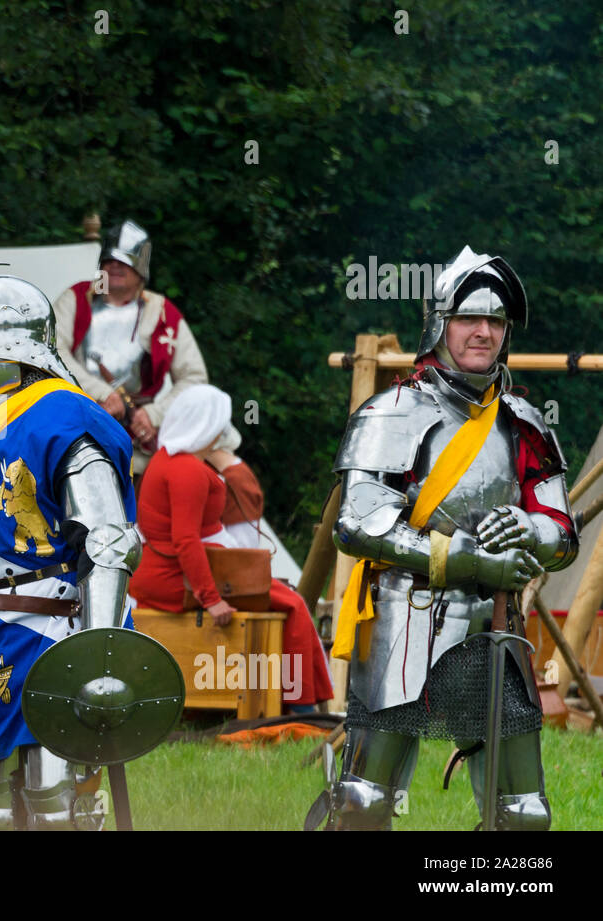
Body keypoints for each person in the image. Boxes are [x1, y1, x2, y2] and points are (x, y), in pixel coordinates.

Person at [308, 246, 577, 831]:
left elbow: (563, 533)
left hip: (497, 630)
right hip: (408, 616)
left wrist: (531, 529)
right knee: (363, 802)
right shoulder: (393, 410)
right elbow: (358, 521)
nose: (484, 331)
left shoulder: (525, 424)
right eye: (469, 318)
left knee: (525, 815)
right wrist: (453, 554)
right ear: (440, 323)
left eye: (496, 321)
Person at [0, 264, 171, 830]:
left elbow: (107, 541)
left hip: (53, 630)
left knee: (55, 801)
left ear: (8, 338)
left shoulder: (64, 418)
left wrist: (98, 652)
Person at [128, 384, 333, 710]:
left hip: (173, 572)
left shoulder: (165, 458)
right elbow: (185, 540)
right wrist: (211, 599)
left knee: (283, 595)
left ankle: (292, 700)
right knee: (292, 604)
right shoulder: (187, 470)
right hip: (177, 579)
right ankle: (300, 706)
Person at [52, 220, 209, 472]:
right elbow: (52, 352)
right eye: (110, 260)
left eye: (125, 261)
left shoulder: (162, 313)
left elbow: (195, 379)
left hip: (140, 438)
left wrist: (155, 415)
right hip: (78, 425)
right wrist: (101, 393)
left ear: (141, 271)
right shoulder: (75, 299)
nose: (115, 265)